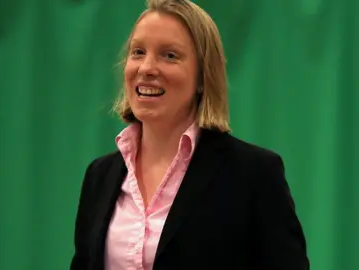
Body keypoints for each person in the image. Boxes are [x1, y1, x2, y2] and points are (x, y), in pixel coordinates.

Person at [70, 0, 309, 269]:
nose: (146, 68)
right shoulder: (99, 176)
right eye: (138, 52)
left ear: (202, 78)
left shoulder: (255, 174)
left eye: (169, 55)